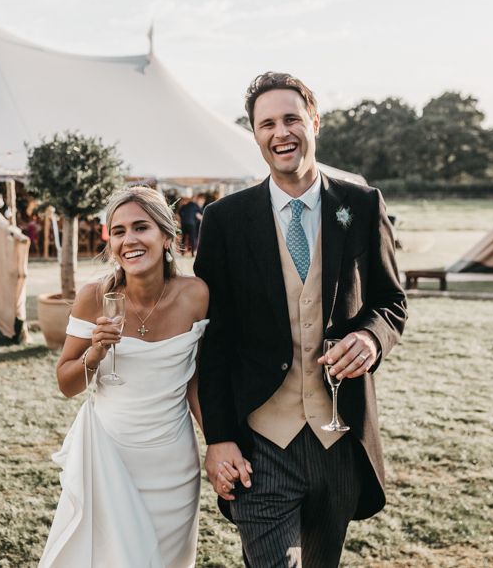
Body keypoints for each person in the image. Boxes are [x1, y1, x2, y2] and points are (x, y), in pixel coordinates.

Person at [194, 72, 407, 567]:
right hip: (260, 441)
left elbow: (391, 302)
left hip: (339, 436)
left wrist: (373, 340)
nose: (280, 132)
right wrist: (219, 437)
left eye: (291, 118)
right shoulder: (226, 220)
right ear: (255, 134)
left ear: (314, 120)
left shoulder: (362, 204)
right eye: (266, 123)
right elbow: (215, 340)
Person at [39, 186, 209, 568]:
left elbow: (194, 380)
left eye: (140, 228)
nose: (128, 240)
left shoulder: (196, 296)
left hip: (174, 467)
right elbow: (66, 383)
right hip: (108, 457)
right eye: (118, 231)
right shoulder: (93, 297)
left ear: (166, 236)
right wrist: (96, 352)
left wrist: (216, 444)